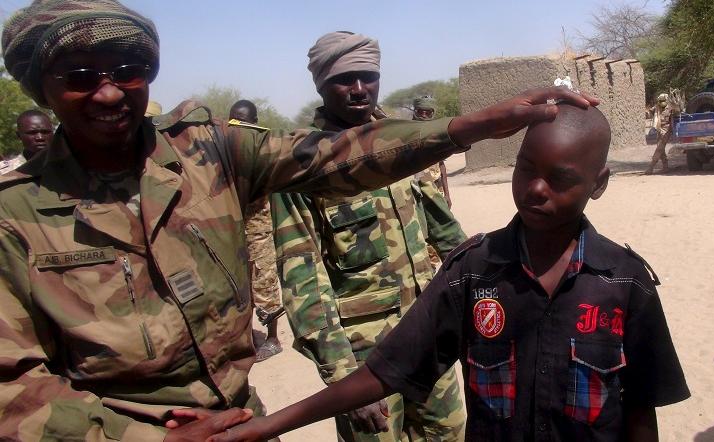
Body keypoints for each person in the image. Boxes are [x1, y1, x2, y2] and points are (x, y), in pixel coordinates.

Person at [0, 0, 595, 440]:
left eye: (126, 72)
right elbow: (11, 386)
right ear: (41, 90)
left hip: (241, 419)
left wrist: (472, 125)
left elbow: (337, 156)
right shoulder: (14, 215)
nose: (108, 94)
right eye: (80, 78)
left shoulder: (211, 153)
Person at [206, 103, 690, 442]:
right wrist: (269, 425)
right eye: (526, 169)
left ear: (598, 184)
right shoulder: (473, 274)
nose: (536, 189)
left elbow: (640, 412)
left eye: (561, 178)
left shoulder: (625, 283)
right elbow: (384, 371)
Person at [270, 31, 467, 441]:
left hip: (428, 335)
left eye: (368, 76)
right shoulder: (301, 165)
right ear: (321, 85)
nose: (360, 89)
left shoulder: (402, 143)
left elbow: (447, 233)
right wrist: (343, 379)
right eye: (345, 79)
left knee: (449, 434)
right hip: (365, 359)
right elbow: (304, 282)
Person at [230, 99, 285, 362]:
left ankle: (273, 338)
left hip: (259, 231)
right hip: (233, 232)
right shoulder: (226, 152)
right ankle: (249, 337)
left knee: (265, 283)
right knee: (239, 286)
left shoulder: (262, 153)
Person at [412, 96, 451, 207]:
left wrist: (447, 195)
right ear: (415, 112)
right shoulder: (407, 134)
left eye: (428, 112)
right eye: (420, 112)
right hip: (416, 191)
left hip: (436, 189)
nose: (424, 115)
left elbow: (442, 165)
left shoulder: (436, 134)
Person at [0, 109, 54, 174]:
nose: (40, 137)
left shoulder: (67, 165)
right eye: (32, 133)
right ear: (19, 136)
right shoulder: (4, 172)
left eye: (45, 132)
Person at [645, 93, 673, 175]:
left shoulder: (671, 108)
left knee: (659, 148)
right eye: (660, 101)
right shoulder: (657, 107)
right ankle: (665, 167)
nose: (662, 103)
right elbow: (649, 113)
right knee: (661, 149)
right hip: (659, 130)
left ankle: (651, 167)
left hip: (666, 131)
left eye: (663, 101)